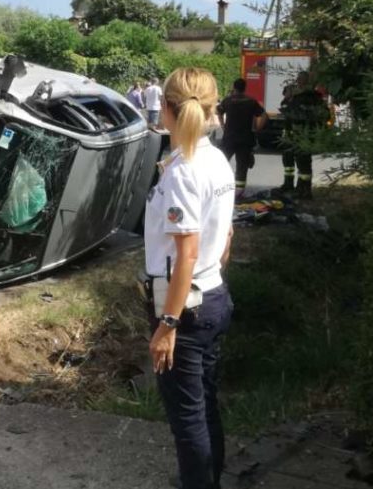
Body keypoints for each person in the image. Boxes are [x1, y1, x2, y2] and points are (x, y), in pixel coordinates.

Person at [142, 67, 236, 489]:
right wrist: (210, 275)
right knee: (205, 405)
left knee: (187, 420)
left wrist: (169, 323)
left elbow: (187, 254)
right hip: (213, 295)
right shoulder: (216, 159)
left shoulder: (183, 171)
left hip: (186, 309)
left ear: (166, 108)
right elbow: (227, 234)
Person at [279, 71, 328, 200]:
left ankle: (301, 189)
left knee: (301, 161)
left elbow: (287, 111)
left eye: (299, 79)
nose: (298, 81)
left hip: (297, 133)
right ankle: (301, 188)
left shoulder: (298, 97)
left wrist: (287, 99)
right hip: (308, 134)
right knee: (300, 161)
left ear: (301, 81)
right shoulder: (317, 97)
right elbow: (325, 115)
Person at [217, 78, 267, 198]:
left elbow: (218, 112)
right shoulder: (251, 101)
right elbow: (263, 114)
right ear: (245, 88)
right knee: (242, 166)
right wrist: (258, 128)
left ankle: (217, 187)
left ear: (234, 87)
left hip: (229, 138)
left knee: (221, 162)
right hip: (245, 139)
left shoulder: (228, 100)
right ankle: (239, 193)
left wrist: (223, 126)